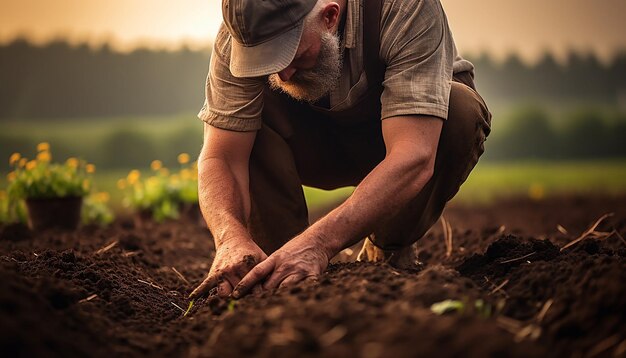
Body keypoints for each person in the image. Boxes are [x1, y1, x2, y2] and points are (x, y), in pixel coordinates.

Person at [189, 0, 491, 299]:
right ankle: (276, 273)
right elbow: (222, 157)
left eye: (289, 55)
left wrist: (319, 243)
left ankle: (387, 251)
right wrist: (230, 238)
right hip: (309, 145)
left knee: (459, 110)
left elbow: (414, 154)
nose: (281, 76)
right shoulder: (243, 32)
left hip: (398, 142)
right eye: (265, 62)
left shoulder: (405, 8)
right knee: (240, 125)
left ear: (330, 16)